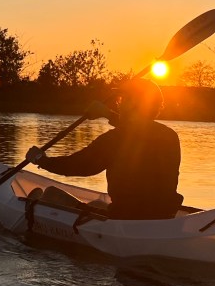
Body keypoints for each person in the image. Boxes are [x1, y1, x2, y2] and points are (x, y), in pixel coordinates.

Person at [25, 78, 184, 220]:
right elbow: (138, 132)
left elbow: (79, 165)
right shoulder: (169, 136)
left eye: (123, 99)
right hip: (164, 217)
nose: (119, 103)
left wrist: (42, 160)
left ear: (135, 104)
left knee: (52, 194)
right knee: (97, 203)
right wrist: (106, 113)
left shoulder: (114, 139)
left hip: (125, 219)